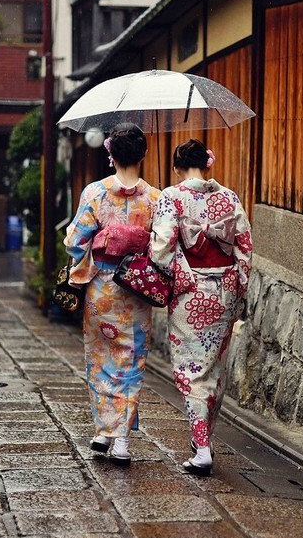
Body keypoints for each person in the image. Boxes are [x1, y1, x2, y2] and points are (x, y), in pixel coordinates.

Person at [150, 139, 252, 476]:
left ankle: (203, 447)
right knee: (213, 370)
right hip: (223, 292)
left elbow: (161, 250)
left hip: (190, 294)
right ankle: (202, 437)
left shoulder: (171, 197)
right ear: (207, 165)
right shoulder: (230, 197)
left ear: (178, 166)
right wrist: (238, 286)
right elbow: (244, 247)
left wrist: (182, 274)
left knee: (191, 370)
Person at [64, 123, 161, 466]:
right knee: (131, 361)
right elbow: (162, 249)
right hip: (136, 290)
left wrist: (99, 249)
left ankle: (104, 429)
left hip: (103, 289)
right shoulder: (155, 198)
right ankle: (119, 439)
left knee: (101, 358)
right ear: (144, 155)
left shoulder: (95, 193)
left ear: (110, 154)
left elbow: (74, 241)